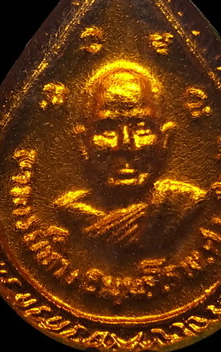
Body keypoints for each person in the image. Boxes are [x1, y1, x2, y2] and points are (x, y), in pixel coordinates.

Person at [55, 60, 206, 250]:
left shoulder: (182, 204)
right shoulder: (71, 212)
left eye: (141, 128)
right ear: (83, 143)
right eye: (108, 128)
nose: (126, 145)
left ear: (165, 139)